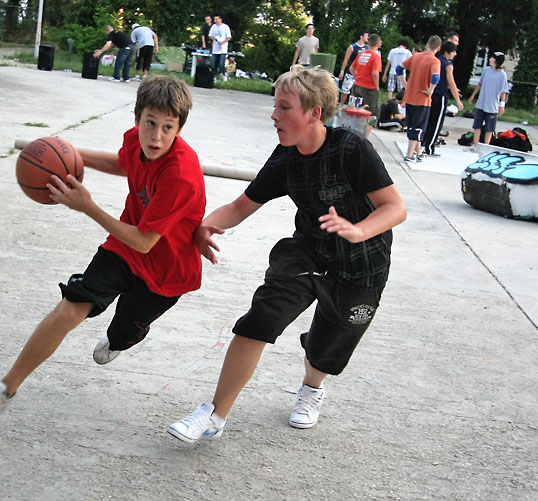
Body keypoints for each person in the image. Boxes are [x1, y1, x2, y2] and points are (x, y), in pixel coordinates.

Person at [167, 65, 407, 444]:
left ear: (314, 112)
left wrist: (357, 230)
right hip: (307, 252)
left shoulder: (350, 148)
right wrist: (205, 224)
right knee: (260, 319)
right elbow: (242, 205)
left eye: (284, 107)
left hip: (363, 264)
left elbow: (395, 208)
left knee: (326, 350)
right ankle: (214, 414)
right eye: (275, 106)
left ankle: (312, 388)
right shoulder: (285, 158)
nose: (274, 115)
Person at [0, 76, 207, 417]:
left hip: (166, 273)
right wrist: (66, 153)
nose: (156, 136)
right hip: (123, 248)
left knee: (121, 331)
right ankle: (4, 388)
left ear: (179, 129)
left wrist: (87, 206)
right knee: (72, 306)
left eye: (167, 127)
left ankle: (124, 337)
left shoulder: (181, 174)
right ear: (137, 119)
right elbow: (123, 163)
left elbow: (146, 242)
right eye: (150, 123)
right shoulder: (136, 141)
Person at [402, 35, 442, 162]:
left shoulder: (416, 56)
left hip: (410, 97)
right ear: (439, 48)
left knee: (412, 125)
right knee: (418, 128)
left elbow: (399, 68)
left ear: (427, 44)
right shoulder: (435, 61)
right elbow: (435, 77)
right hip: (422, 99)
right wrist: (430, 90)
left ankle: (418, 152)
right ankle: (409, 155)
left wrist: (404, 84)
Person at [421, 41, 463, 157]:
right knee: (436, 123)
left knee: (428, 120)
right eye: (454, 52)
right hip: (441, 95)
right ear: (447, 52)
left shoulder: (435, 60)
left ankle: (421, 144)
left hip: (431, 93)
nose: (455, 54)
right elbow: (451, 82)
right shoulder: (448, 65)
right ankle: (429, 148)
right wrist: (458, 101)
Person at [467, 52, 509, 150]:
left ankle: (485, 147)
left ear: (495, 60)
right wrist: (473, 95)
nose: (490, 59)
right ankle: (475, 145)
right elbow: (480, 84)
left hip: (492, 105)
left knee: (489, 128)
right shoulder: (486, 70)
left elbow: (503, 91)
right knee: (477, 125)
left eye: (491, 57)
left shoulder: (502, 75)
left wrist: (502, 105)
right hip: (481, 102)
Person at [350, 33, 382, 136]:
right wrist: (377, 87)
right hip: (369, 88)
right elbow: (375, 73)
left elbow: (351, 68)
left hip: (357, 85)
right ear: (378, 44)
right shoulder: (376, 56)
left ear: (368, 42)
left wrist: (357, 77)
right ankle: (364, 138)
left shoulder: (362, 54)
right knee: (371, 115)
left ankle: (354, 134)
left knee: (356, 112)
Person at [338, 30, 369, 105]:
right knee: (345, 91)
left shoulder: (367, 48)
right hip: (351, 73)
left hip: (361, 74)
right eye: (366, 35)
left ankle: (355, 108)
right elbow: (346, 60)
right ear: (361, 36)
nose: (368, 37)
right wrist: (342, 71)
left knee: (358, 94)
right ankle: (340, 106)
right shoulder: (353, 47)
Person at [208, 15, 232, 81]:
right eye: (214, 19)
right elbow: (210, 35)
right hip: (215, 49)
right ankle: (214, 77)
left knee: (221, 64)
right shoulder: (213, 27)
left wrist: (223, 42)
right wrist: (215, 38)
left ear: (220, 19)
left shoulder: (225, 27)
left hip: (223, 49)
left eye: (216, 19)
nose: (215, 21)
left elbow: (229, 37)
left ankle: (224, 76)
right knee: (214, 65)